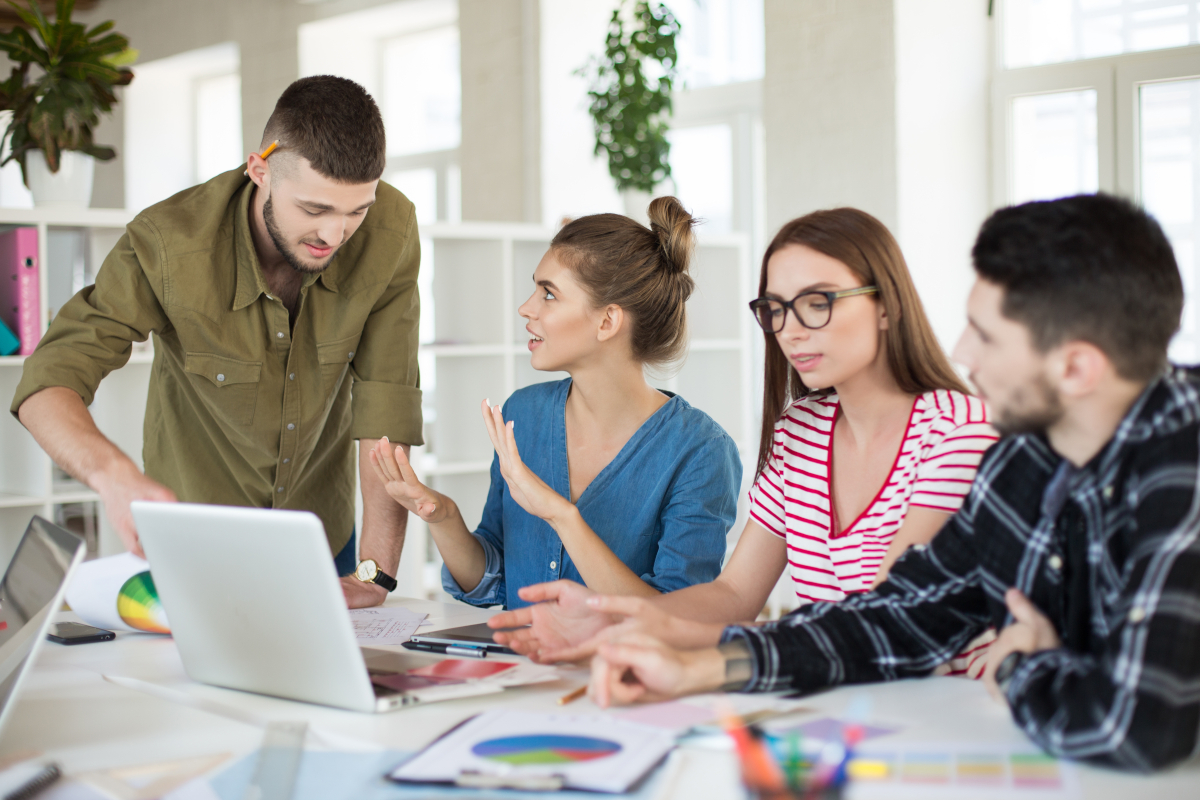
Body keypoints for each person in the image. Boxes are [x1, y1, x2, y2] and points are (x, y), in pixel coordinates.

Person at [585, 194, 1200, 772]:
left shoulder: (1182, 465)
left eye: (986, 336)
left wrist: (1023, 667)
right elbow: (903, 614)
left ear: (1076, 367)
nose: (964, 353)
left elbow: (1136, 726)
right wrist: (703, 670)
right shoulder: (1026, 461)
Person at [488, 208, 997, 675]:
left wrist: (698, 668)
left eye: (817, 303)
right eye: (776, 309)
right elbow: (732, 596)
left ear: (886, 306)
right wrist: (609, 615)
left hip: (943, 717)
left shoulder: (956, 431)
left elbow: (882, 622)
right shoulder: (801, 432)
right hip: (839, 707)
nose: (791, 331)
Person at [11, 76, 421, 608]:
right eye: (315, 210)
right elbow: (49, 379)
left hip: (326, 538)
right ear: (260, 170)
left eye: (356, 211)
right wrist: (115, 478)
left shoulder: (391, 228)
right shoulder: (168, 243)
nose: (335, 235)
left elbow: (385, 406)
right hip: (194, 542)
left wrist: (376, 572)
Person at [367, 198, 741, 609]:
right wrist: (442, 516)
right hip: (519, 670)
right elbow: (494, 582)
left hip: (619, 673)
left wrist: (561, 516)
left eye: (548, 294)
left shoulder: (702, 453)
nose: (526, 308)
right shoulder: (522, 415)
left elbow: (675, 618)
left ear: (607, 321)